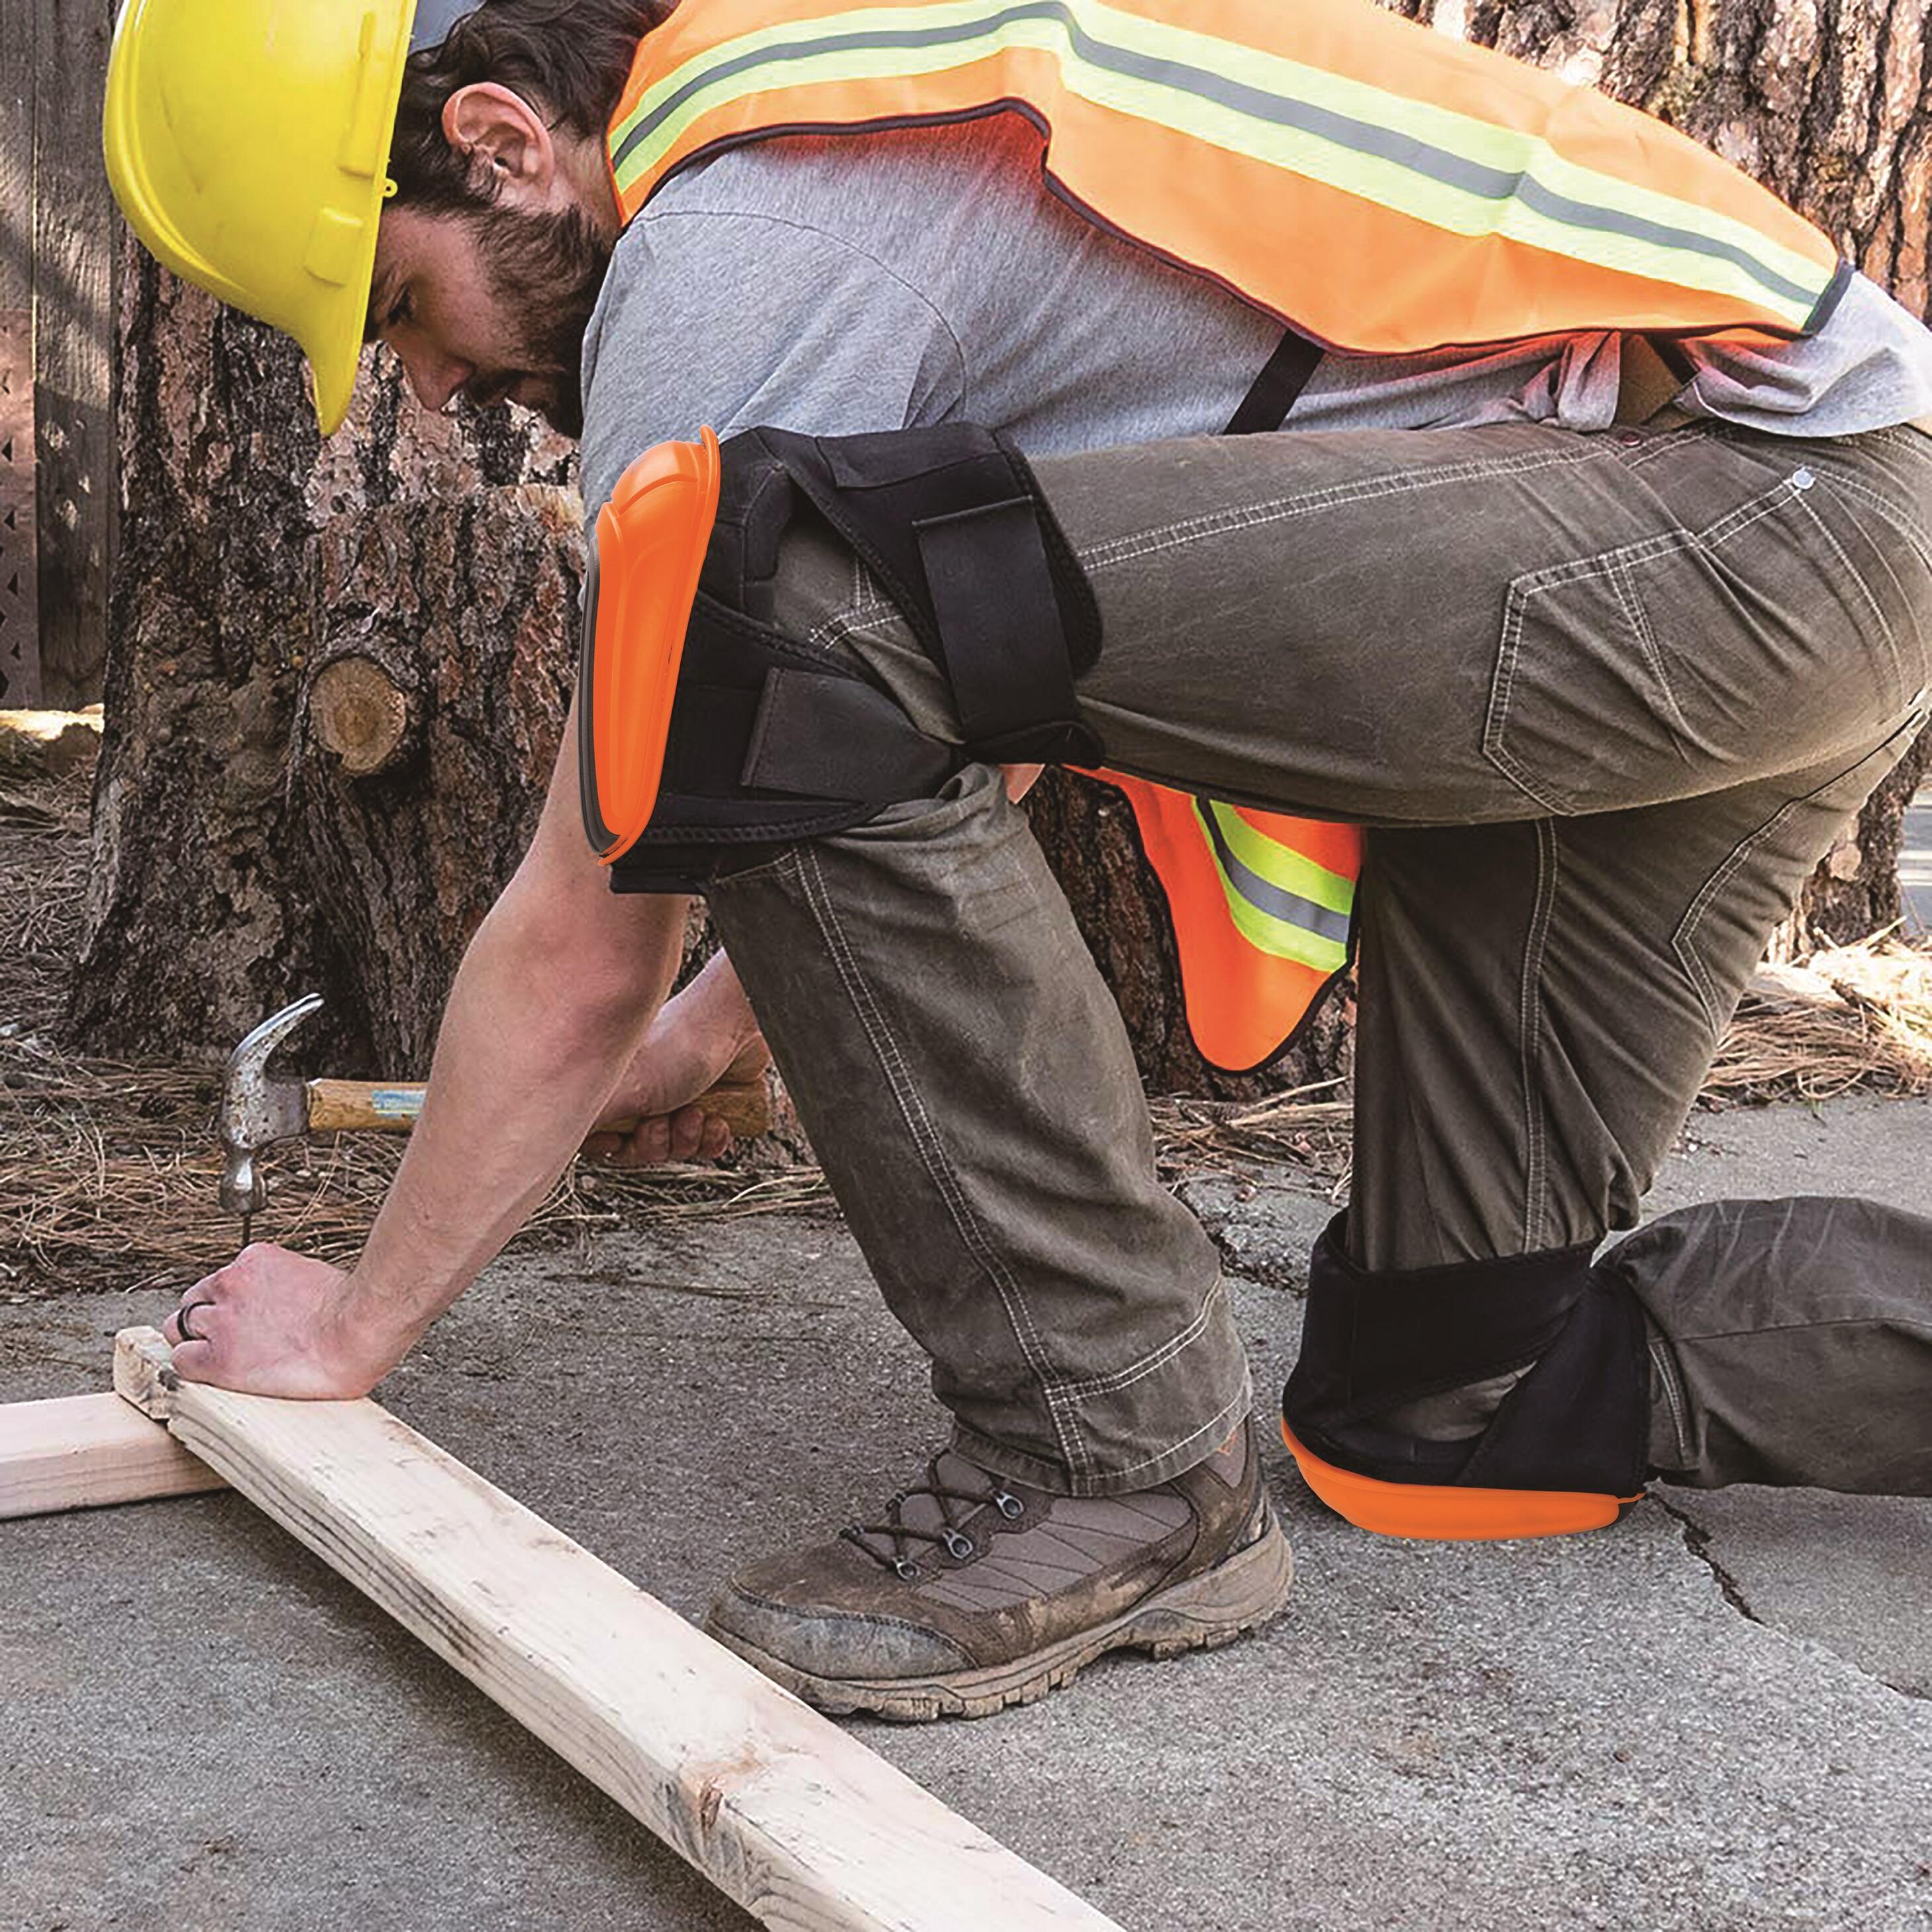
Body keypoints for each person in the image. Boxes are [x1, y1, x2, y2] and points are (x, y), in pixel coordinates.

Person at [107, 0, 1932, 1719]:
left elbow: (606, 898)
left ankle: (1109, 1459)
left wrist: (352, 1324)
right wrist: (718, 1026)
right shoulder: (841, 109)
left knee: (761, 607)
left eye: (400, 305)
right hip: (1788, 500)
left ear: (502, 144)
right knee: (1458, 1395)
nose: (432, 388)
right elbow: (994, 656)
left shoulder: (733, 236)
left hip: (1759, 508)